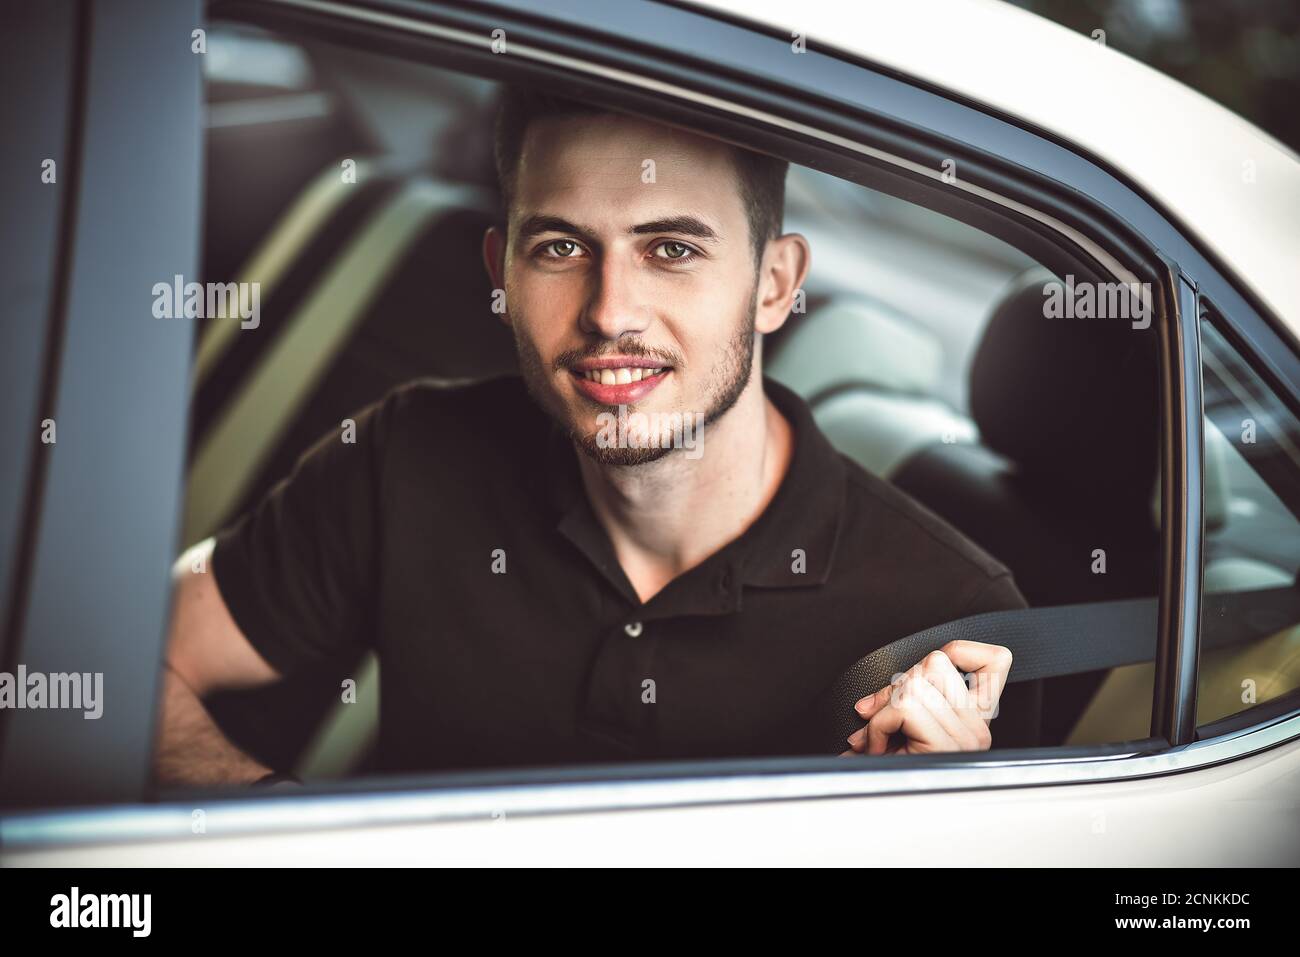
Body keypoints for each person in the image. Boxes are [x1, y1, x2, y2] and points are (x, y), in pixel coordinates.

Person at [154, 91, 1040, 787]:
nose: (610, 310)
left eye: (672, 251)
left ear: (775, 285)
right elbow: (129, 658)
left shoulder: (947, 623)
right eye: (561, 248)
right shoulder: (410, 453)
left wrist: (930, 829)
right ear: (501, 272)